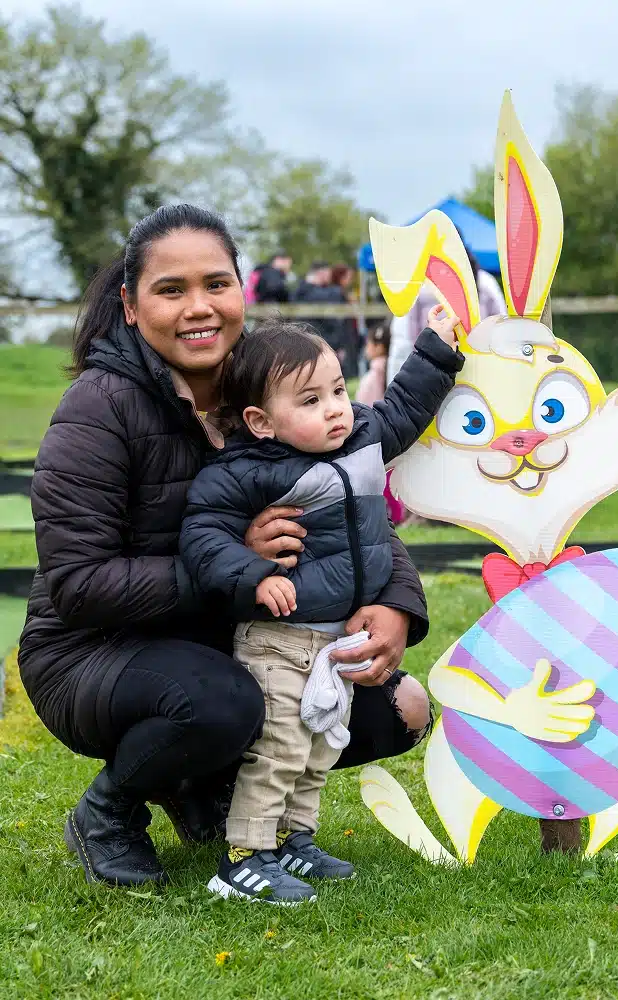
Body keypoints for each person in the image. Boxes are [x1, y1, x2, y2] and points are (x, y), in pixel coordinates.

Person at [19, 204, 435, 889]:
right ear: (130, 305)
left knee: (401, 708)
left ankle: (204, 789)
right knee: (225, 703)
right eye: (171, 290)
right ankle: (111, 811)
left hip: (234, 641)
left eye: (216, 283)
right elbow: (79, 585)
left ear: (242, 289)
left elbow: (354, 497)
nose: (199, 308)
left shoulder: (274, 384)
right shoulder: (98, 410)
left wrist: (395, 602)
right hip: (93, 652)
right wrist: (237, 564)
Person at [180, 312, 462, 903]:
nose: (335, 408)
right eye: (309, 400)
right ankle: (246, 857)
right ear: (260, 421)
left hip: (332, 639)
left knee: (319, 742)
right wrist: (252, 573)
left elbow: (405, 408)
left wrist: (436, 349)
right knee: (279, 746)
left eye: (337, 389)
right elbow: (203, 535)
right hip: (276, 638)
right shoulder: (245, 473)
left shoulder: (359, 437)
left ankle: (294, 841)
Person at [386, 238, 505, 386]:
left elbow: (501, 329)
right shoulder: (421, 286)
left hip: (446, 374)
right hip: (452, 375)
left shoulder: (485, 284)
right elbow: (406, 340)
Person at [356, 324, 407, 525]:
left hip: (374, 434)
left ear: (377, 346)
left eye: (368, 343)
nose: (366, 347)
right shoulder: (396, 369)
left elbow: (363, 406)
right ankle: (398, 515)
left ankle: (392, 517)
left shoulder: (371, 378)